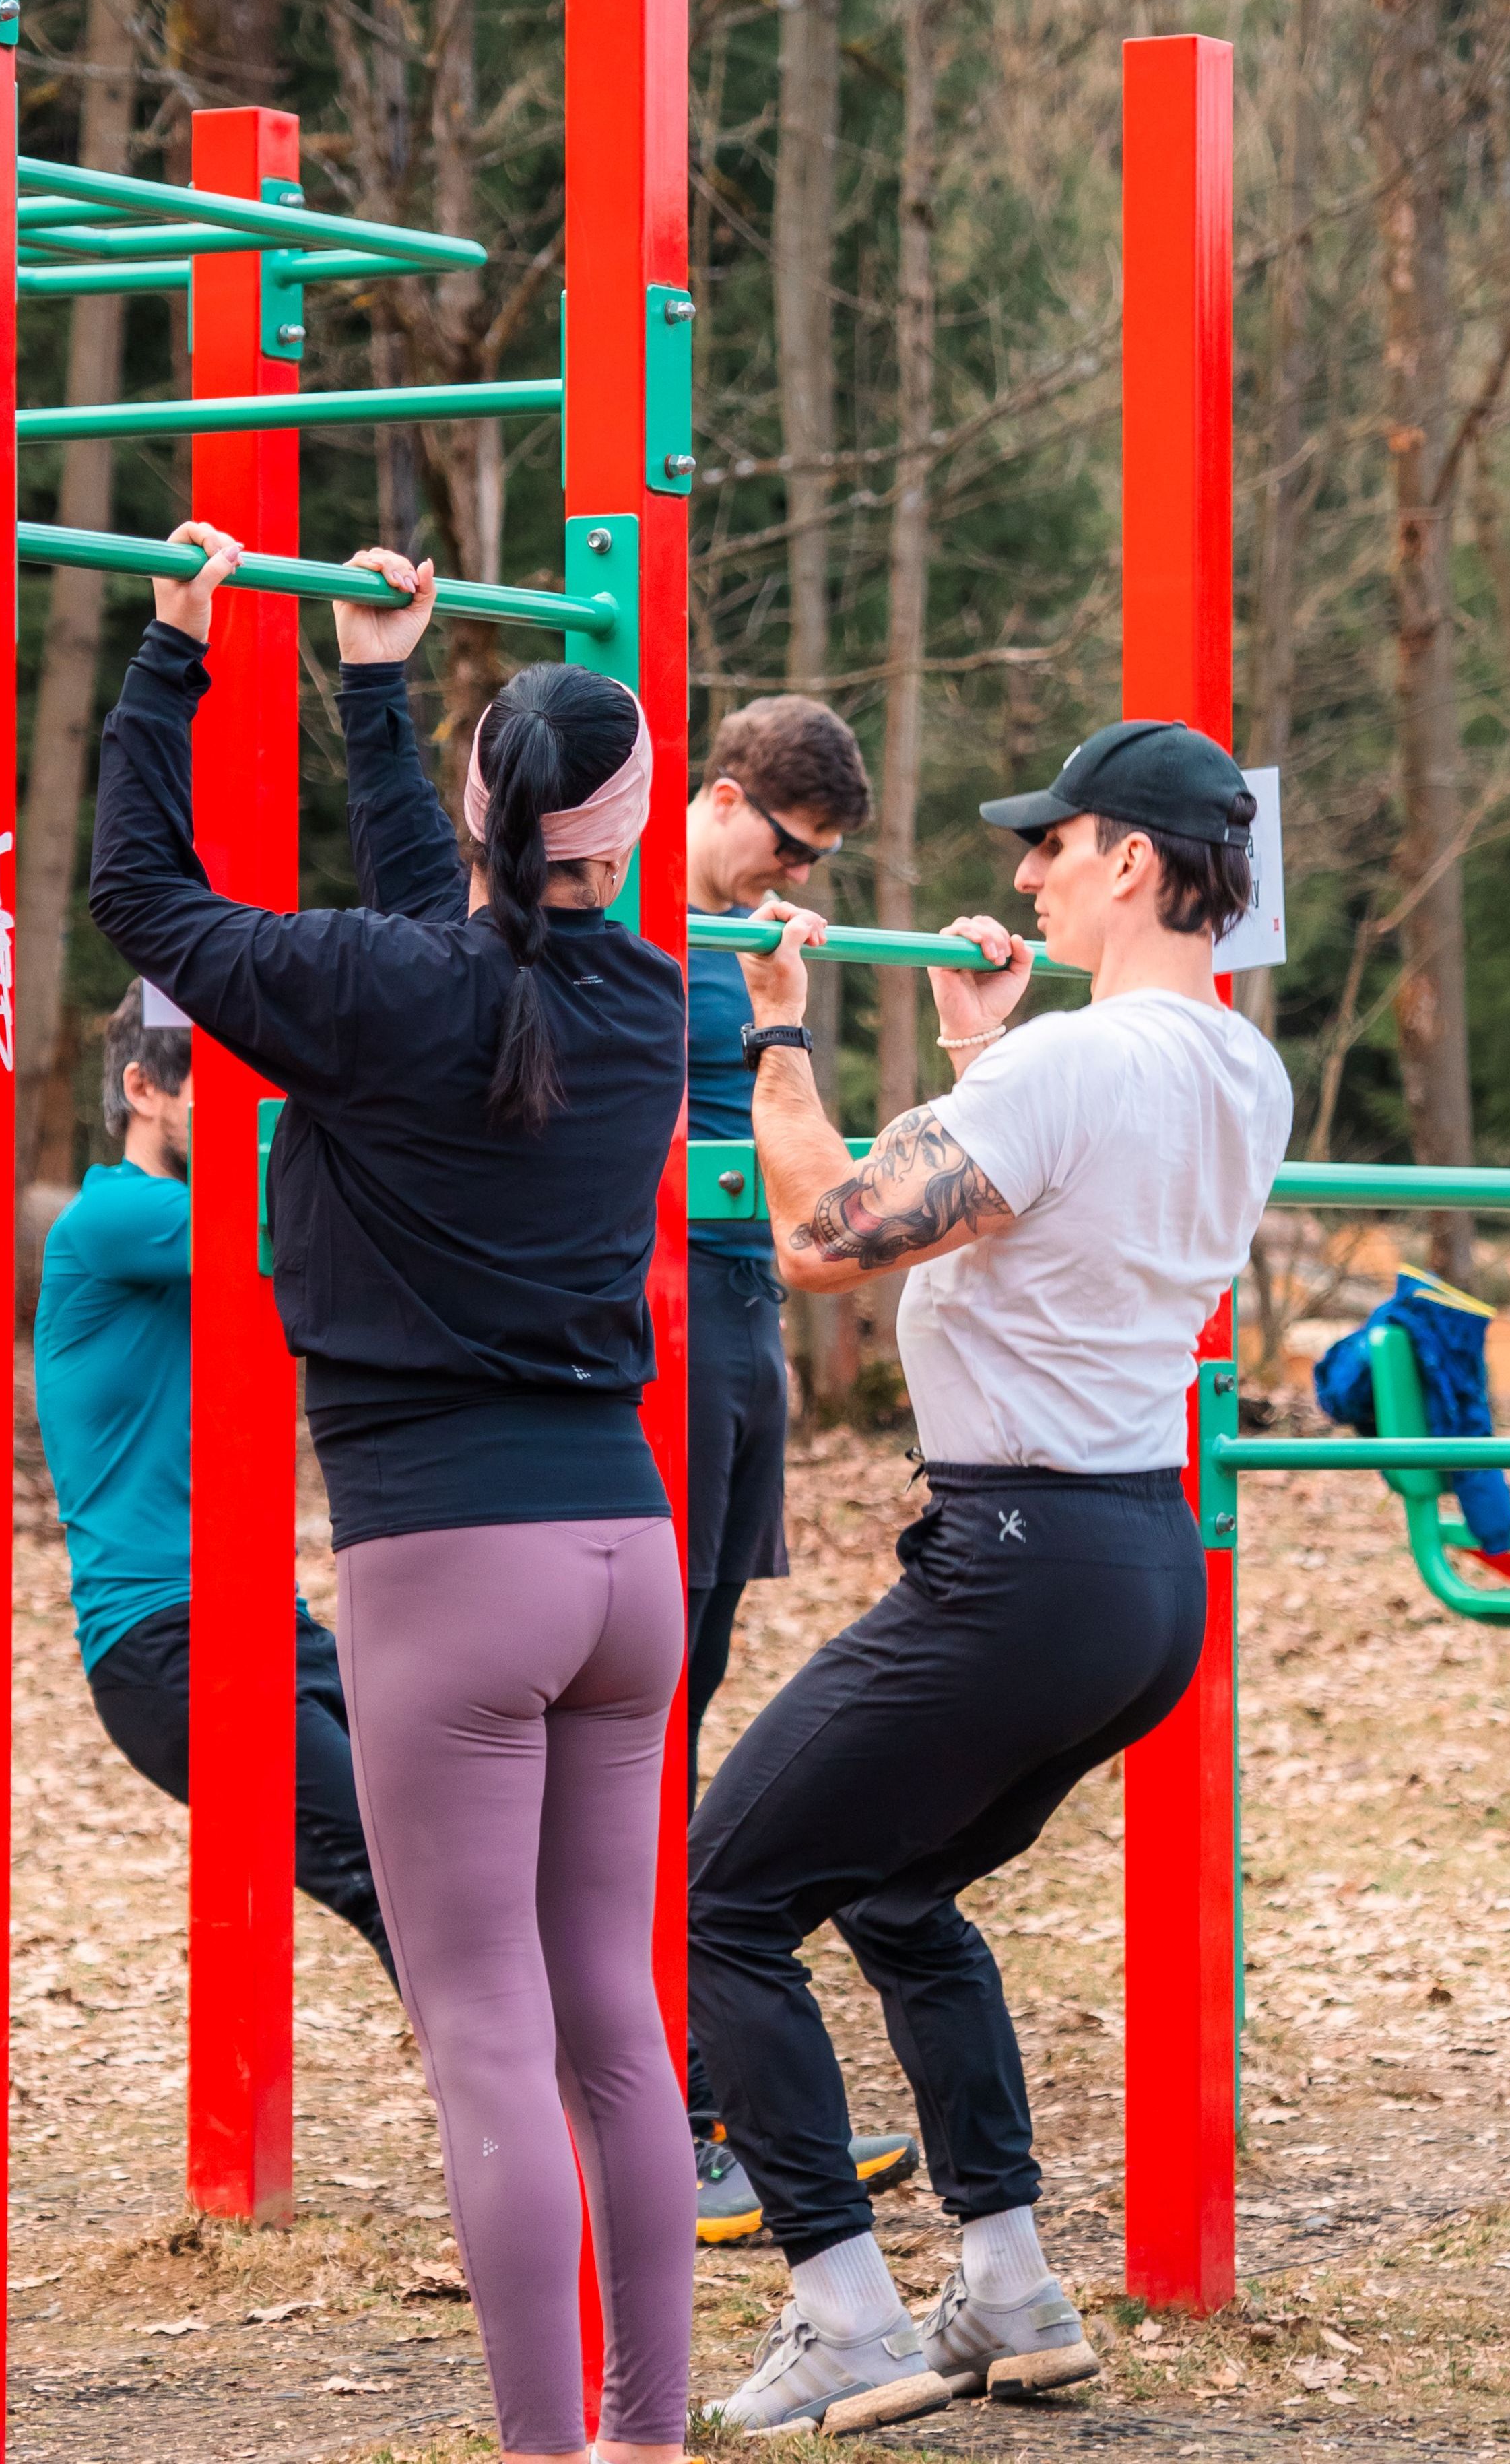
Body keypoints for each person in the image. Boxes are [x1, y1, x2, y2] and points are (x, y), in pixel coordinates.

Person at [87, 526, 692, 2464]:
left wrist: (175, 651)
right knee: (612, 2014)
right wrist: (369, 683)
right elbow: (473, 945)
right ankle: (645, 2438)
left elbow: (140, 895)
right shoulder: (651, 1010)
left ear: (476, 801)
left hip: (451, 1571)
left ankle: (540, 2460)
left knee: (490, 2035)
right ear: (628, 823)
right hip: (624, 1559)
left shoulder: (382, 996)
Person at [687, 719, 1293, 2438]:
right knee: (892, 1894)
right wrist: (979, 1054)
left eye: (1052, 844)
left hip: (1017, 1566)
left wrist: (782, 1037)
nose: (1023, 874)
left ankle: (842, 2310)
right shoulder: (1239, 1072)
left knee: (715, 1902)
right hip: (1139, 1571)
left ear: (1131, 863)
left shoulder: (1069, 1077)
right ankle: (1011, 2287)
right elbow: (1046, 1209)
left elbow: (824, 1237)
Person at [674, 696, 917, 2246]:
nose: (785, 881)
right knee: (634, 1739)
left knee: (679, 1716)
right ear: (714, 796)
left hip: (738, 1339)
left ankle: (697, 2099)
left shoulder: (744, 948)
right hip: (655, 1345)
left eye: (810, 861)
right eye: (777, 844)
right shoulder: (607, 912)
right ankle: (682, 2112)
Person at [31, 981, 394, 1988]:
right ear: (145, 1088)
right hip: (169, 1641)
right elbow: (323, 1210)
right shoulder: (115, 1221)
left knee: (467, 1845)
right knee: (393, 1875)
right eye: (220, 1089)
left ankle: (678, 2108)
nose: (253, 1116)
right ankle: (560, 2134)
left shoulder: (219, 1231)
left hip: (268, 1623)